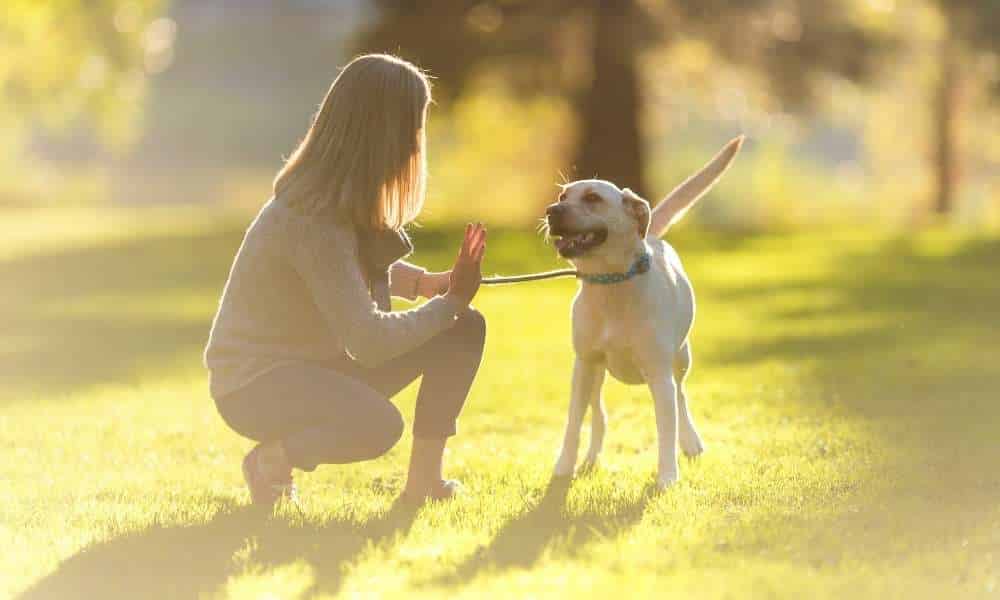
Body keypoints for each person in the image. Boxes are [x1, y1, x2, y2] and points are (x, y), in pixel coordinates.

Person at [204, 54, 487, 507]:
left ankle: (424, 485)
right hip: (255, 385)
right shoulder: (313, 220)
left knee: (464, 329)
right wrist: (449, 302)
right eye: (413, 127)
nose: (417, 144)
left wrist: (430, 286)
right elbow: (368, 340)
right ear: (386, 134)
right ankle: (272, 461)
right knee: (377, 426)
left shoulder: (337, 203)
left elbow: (341, 276)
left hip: (312, 364)